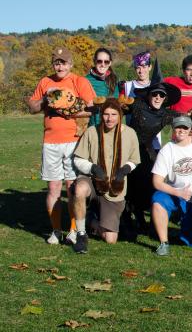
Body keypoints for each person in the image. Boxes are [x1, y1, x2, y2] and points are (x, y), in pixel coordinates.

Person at [27, 47, 96, 245]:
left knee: (72, 187)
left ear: (70, 64)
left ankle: (73, 230)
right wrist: (46, 98)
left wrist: (69, 106)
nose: (60, 66)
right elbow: (32, 107)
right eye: (57, 62)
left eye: (64, 62)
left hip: (73, 140)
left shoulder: (79, 81)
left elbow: (91, 108)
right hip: (50, 142)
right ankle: (56, 230)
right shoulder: (45, 82)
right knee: (53, 187)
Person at [70, 98, 140, 253]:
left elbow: (134, 160)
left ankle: (91, 220)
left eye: (113, 114)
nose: (109, 118)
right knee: (80, 189)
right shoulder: (91, 131)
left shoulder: (129, 133)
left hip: (114, 187)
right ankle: (81, 234)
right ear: (101, 115)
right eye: (106, 114)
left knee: (110, 240)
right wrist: (93, 168)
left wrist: (124, 171)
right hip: (93, 179)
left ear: (120, 115)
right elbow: (78, 159)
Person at [150, 115, 192, 256]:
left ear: (190, 129)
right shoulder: (167, 149)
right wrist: (178, 192)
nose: (181, 130)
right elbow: (156, 181)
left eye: (184, 127)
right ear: (173, 128)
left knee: (191, 242)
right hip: (175, 195)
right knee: (158, 200)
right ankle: (164, 244)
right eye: (178, 127)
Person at [124, 80, 183, 234]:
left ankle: (141, 217)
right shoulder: (137, 105)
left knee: (148, 183)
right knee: (129, 184)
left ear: (165, 98)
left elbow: (184, 121)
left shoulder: (165, 114)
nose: (157, 97)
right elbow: (119, 109)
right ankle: (126, 218)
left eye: (161, 95)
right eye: (154, 94)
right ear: (149, 96)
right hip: (129, 149)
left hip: (147, 151)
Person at [86, 48, 119, 127]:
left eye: (106, 62)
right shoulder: (85, 80)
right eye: (99, 61)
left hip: (112, 126)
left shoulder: (114, 80)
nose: (103, 64)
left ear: (110, 63)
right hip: (94, 126)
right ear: (94, 61)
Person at [121, 51, 153, 125]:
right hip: (132, 133)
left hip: (153, 134)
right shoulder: (127, 86)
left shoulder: (157, 86)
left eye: (144, 66)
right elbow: (119, 110)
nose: (141, 71)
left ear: (150, 67)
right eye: (138, 68)